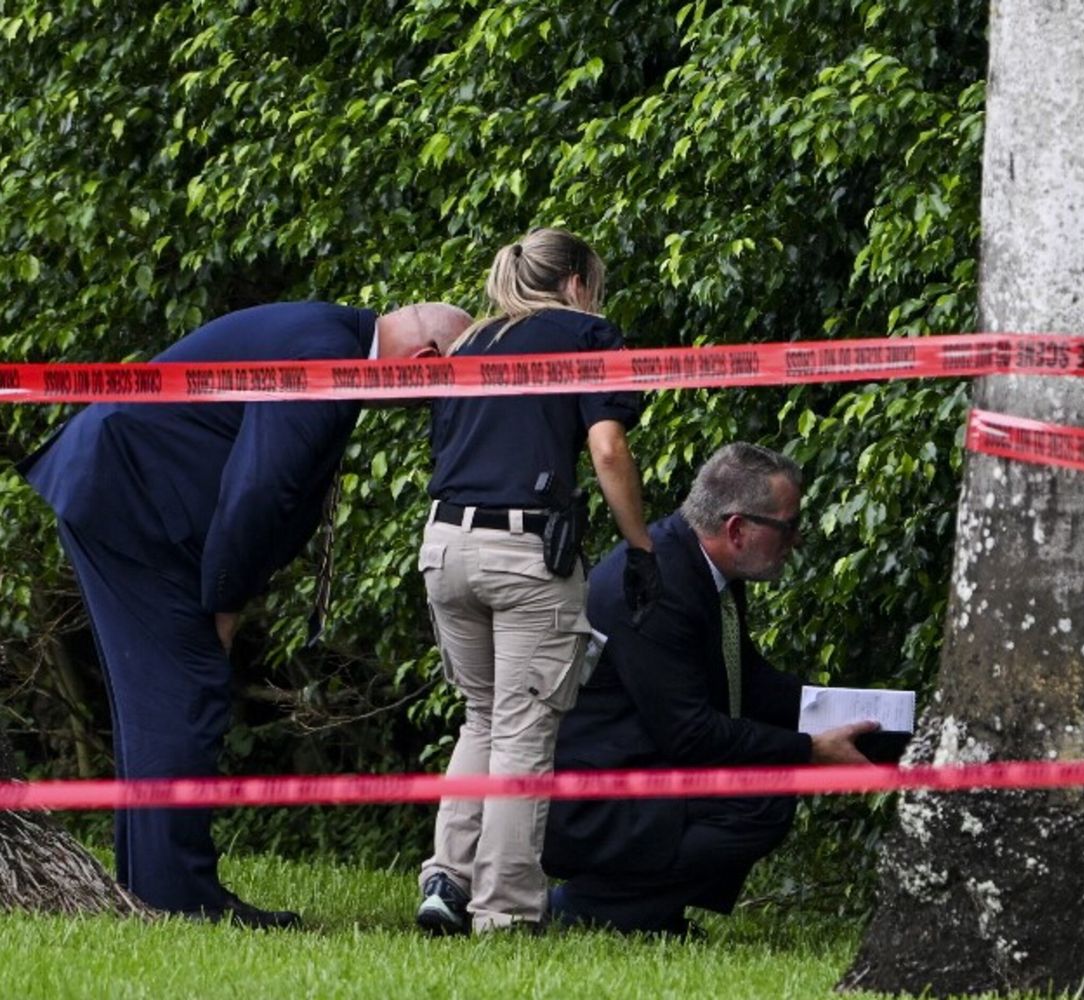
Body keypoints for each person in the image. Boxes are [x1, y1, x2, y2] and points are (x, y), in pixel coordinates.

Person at [19, 300, 473, 927]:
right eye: (437, 394)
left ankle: (152, 888)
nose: (424, 408)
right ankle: (178, 901)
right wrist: (225, 604)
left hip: (126, 493)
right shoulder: (326, 357)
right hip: (131, 502)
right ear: (423, 363)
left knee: (158, 700)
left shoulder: (332, 334)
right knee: (185, 691)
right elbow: (261, 487)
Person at [414, 228, 659, 936]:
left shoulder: (469, 342)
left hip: (444, 544)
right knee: (523, 729)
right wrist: (640, 547)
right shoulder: (587, 334)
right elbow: (607, 448)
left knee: (482, 716)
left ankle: (448, 882)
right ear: (577, 282)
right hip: (523, 551)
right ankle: (506, 912)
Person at [542, 442, 877, 936]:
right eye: (787, 527)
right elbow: (691, 734)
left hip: (643, 768)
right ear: (737, 529)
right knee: (761, 799)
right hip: (593, 799)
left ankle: (645, 913)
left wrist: (863, 715)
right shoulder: (660, 587)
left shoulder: (703, 565)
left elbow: (748, 681)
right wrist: (809, 751)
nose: (797, 540)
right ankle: (589, 907)